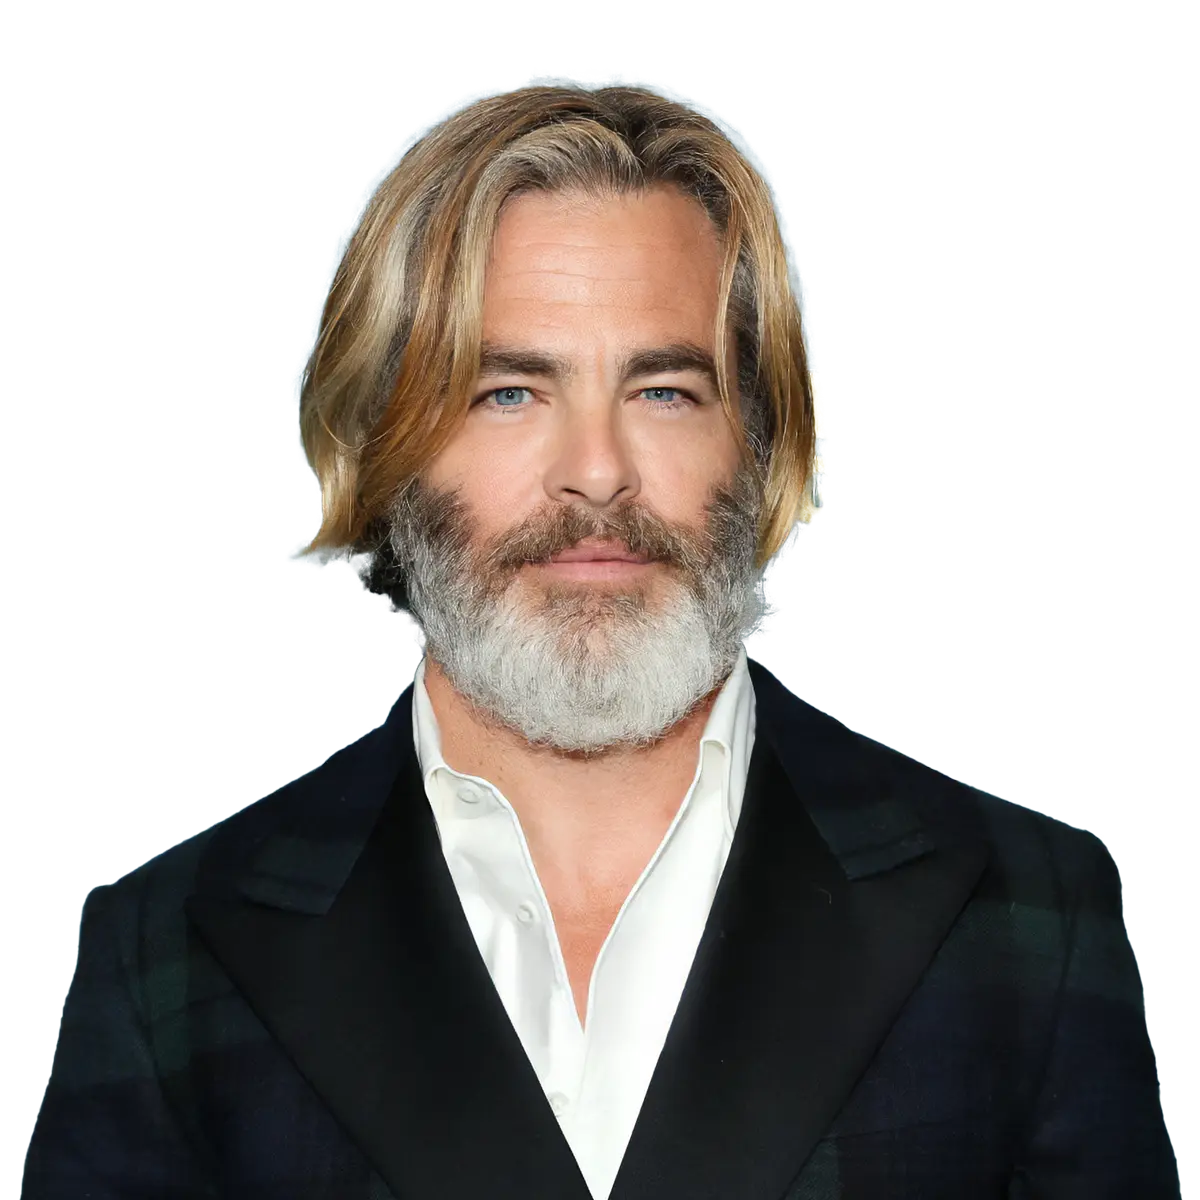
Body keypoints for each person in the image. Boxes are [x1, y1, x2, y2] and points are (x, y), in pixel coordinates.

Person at [19, 82, 1181, 1200]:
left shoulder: (1026, 921)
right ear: (387, 447)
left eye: (664, 391)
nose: (596, 472)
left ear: (758, 441)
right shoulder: (167, 959)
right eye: (507, 393)